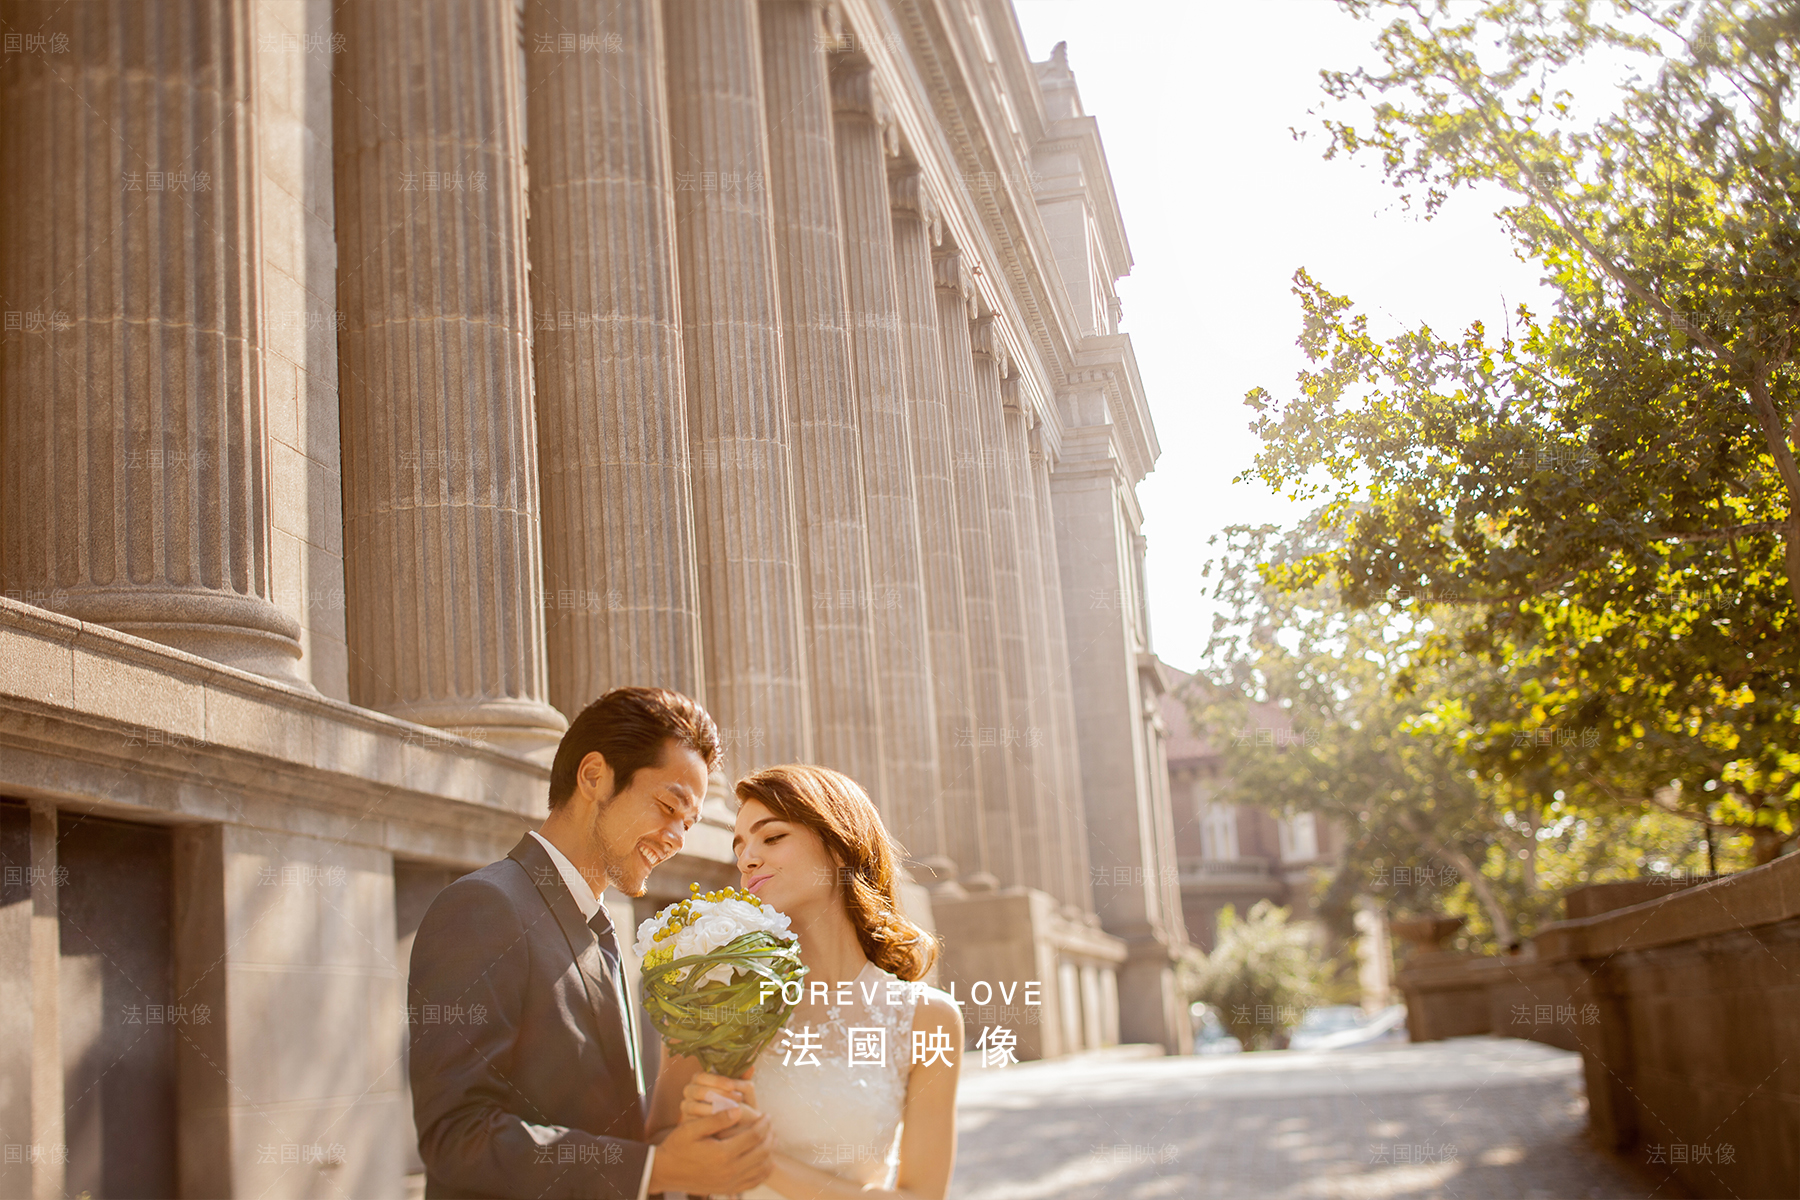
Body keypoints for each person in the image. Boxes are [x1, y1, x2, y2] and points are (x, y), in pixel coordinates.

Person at [407, 686, 775, 1198]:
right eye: (669, 806)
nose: (676, 837)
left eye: (687, 823)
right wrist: (655, 1169)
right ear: (594, 776)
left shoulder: (595, 925)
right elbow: (457, 1137)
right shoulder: (483, 908)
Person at [645, 764, 963, 1199]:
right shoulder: (714, 988)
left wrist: (759, 1155)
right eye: (740, 846)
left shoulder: (929, 1019)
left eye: (772, 837)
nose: (747, 858)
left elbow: (923, 1196)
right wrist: (700, 1132)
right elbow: (658, 1148)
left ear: (838, 845)